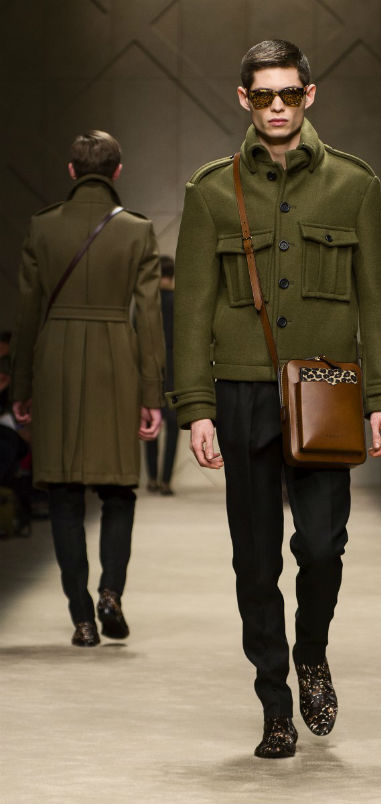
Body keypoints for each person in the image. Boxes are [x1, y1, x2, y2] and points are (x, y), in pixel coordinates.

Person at [168, 40, 381, 758]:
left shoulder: (354, 185)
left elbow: (375, 299)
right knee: (255, 559)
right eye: (262, 95)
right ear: (242, 99)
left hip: (327, 391)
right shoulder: (210, 191)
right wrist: (197, 407)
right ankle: (275, 703)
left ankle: (312, 652)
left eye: (288, 93)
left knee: (322, 546)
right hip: (242, 391)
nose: (276, 107)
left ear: (310, 94)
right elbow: (192, 310)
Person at [11, 130, 165, 647]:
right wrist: (151, 394)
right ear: (117, 171)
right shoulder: (138, 231)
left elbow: (27, 316)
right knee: (118, 489)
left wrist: (21, 384)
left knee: (63, 493)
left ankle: (81, 617)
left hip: (54, 361)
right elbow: (149, 319)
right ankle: (110, 594)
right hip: (116, 362)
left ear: (71, 171)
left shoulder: (43, 226)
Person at [145, 255, 179, 495]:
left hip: (152, 367)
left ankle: (152, 479)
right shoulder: (180, 301)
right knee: (173, 427)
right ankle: (166, 481)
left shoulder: (149, 303)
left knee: (151, 425)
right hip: (175, 368)